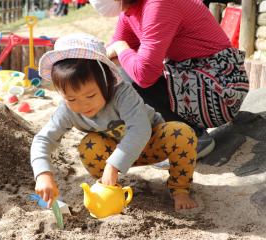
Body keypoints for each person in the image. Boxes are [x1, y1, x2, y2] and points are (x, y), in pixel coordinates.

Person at [31, 33, 199, 211]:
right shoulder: (67, 110)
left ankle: (180, 189)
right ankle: (110, 188)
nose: (82, 104)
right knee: (89, 145)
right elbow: (43, 139)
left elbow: (140, 130)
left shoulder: (123, 94)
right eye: (71, 99)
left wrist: (113, 165)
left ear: (107, 81)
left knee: (181, 133)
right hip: (110, 153)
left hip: (151, 144)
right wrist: (43, 174)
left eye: (90, 95)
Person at [89, 0, 249, 159]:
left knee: (131, 77)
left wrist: (120, 48)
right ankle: (176, 132)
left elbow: (144, 74)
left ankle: (193, 137)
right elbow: (114, 53)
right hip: (199, 79)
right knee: (120, 70)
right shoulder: (130, 10)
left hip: (222, 89)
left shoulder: (159, 4)